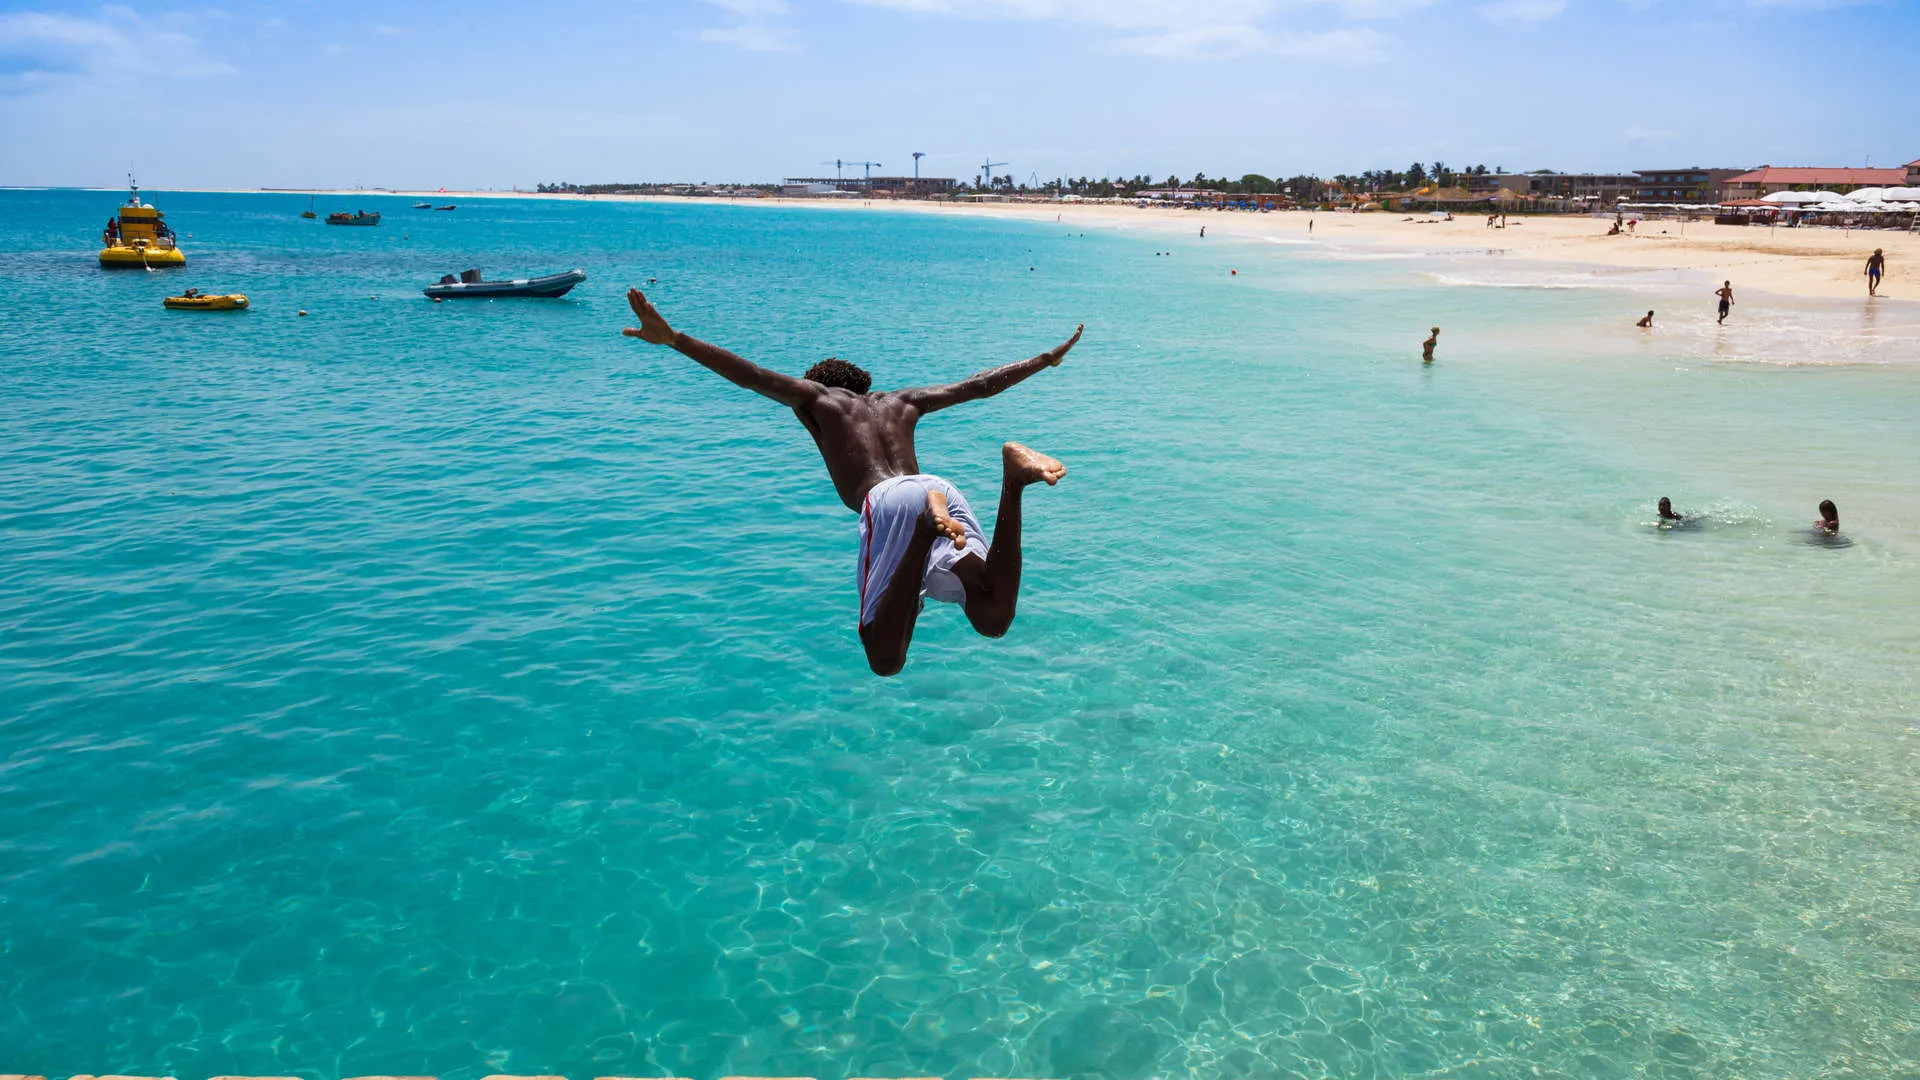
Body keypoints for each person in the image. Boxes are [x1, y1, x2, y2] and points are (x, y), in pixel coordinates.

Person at [620, 287, 1079, 676]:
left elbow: (753, 376)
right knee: (992, 614)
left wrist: (675, 338)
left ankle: (924, 526)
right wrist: (1043, 359)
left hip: (895, 504)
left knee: (885, 658)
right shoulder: (902, 401)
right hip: (937, 485)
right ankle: (1013, 481)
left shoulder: (819, 400)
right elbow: (977, 385)